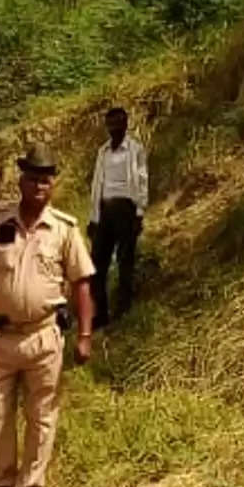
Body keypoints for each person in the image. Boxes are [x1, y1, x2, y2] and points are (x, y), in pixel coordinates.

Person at [0, 150, 96, 487]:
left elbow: (81, 284)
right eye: (33, 178)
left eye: (46, 179)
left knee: (42, 415)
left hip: (43, 337)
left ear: (54, 185)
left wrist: (84, 336)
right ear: (21, 181)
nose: (39, 185)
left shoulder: (64, 230)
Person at [87, 106, 150, 328]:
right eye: (111, 124)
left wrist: (139, 213)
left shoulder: (135, 149)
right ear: (107, 126)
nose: (115, 128)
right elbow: (97, 185)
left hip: (126, 209)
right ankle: (100, 314)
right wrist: (93, 217)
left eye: (119, 123)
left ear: (125, 124)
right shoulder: (102, 152)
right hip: (104, 211)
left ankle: (124, 311)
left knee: (125, 261)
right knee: (96, 264)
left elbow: (142, 181)